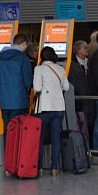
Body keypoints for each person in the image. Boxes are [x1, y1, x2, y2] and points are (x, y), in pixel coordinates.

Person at [33, 46, 69, 175]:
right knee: (56, 138)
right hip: (59, 107)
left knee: (40, 138)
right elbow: (67, 87)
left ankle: (40, 167)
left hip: (44, 108)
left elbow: (36, 88)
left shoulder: (39, 69)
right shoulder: (60, 69)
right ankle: (54, 168)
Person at [0, 34, 33, 138]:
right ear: (24, 44)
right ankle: (17, 154)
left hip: (4, 103)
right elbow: (28, 81)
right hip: (20, 102)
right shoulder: (23, 58)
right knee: (19, 133)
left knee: (8, 131)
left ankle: (8, 153)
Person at [68, 40, 91, 142]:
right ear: (77, 50)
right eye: (85, 48)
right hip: (78, 99)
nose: (87, 50)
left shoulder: (90, 63)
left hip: (89, 97)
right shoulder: (72, 65)